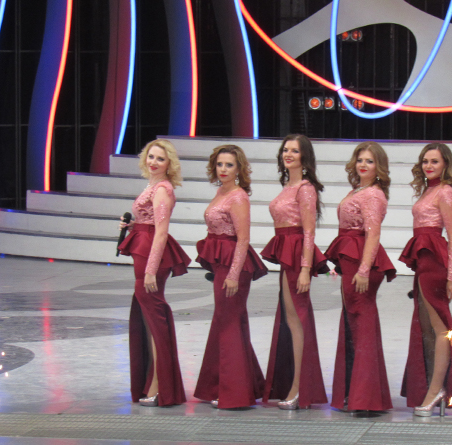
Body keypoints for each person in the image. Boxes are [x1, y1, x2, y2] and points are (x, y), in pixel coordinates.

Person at [399, 143, 452, 416]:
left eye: (435, 161)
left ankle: (437, 390)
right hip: (424, 263)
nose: (428, 166)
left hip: (435, 265)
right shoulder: (428, 190)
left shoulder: (444, 191)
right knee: (429, 329)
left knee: (440, 329)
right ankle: (434, 386)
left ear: (445, 165)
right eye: (425, 161)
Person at [117, 139, 192, 407]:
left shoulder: (162, 189)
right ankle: (155, 383)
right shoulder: (152, 185)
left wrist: (150, 270)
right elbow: (149, 221)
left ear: (169, 163)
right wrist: (132, 225)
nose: (154, 162)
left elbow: (161, 231)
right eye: (151, 156)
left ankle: (160, 386)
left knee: (155, 320)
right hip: (144, 247)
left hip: (151, 254)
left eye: (160, 158)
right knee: (149, 319)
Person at [194, 144, 269, 409]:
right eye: (220, 164)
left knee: (228, 325)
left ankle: (233, 393)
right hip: (222, 263)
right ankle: (238, 386)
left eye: (229, 165)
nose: (223, 169)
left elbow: (243, 238)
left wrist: (234, 274)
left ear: (239, 169)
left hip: (234, 265)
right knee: (227, 323)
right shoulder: (221, 191)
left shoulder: (238, 196)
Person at [324, 141, 395, 412]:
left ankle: (366, 399)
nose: (363, 165)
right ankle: (358, 395)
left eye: (370, 161)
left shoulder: (373, 194)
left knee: (362, 324)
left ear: (379, 167)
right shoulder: (358, 190)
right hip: (352, 258)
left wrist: (364, 270)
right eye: (360, 160)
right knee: (356, 324)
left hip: (362, 262)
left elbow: (373, 233)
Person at [260, 135, 329, 410]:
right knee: (292, 321)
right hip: (287, 256)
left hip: (297, 256)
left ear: (305, 156)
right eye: (285, 150)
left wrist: (305, 269)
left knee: (298, 321)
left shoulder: (305, 188)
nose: (288, 154)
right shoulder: (288, 186)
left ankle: (300, 388)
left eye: (295, 151)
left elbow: (309, 231)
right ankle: (297, 385)